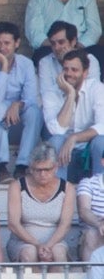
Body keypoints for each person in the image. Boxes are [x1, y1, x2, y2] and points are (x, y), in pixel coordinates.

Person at [0, 22, 43, 184]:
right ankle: (1, 166)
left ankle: (21, 167)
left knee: (35, 111)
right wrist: (4, 66)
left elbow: (30, 98)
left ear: (17, 43)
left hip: (16, 120)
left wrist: (17, 105)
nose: (2, 48)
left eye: (7, 43)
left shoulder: (26, 63)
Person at [6, 143, 76, 263]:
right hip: (22, 242)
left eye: (47, 169)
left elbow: (65, 225)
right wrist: (38, 245)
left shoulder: (67, 188)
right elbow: (13, 224)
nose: (42, 174)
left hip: (55, 241)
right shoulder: (17, 186)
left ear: (56, 167)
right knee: (29, 253)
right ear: (31, 169)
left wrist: (48, 246)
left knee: (58, 253)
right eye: (38, 170)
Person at [42, 48, 104, 181]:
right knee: (55, 141)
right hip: (64, 146)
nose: (69, 74)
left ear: (85, 73)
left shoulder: (97, 88)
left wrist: (74, 137)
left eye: (74, 70)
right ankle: (60, 192)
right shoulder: (51, 92)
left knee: (101, 142)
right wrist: (70, 94)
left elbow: (102, 125)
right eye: (66, 69)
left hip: (89, 144)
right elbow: (56, 130)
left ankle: (100, 192)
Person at [38, 21, 100, 102]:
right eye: (53, 43)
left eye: (61, 42)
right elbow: (46, 96)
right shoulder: (45, 63)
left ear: (73, 41)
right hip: (57, 108)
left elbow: (94, 92)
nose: (56, 48)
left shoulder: (90, 60)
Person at [76, 151, 104, 261]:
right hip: (93, 235)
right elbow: (84, 211)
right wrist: (100, 224)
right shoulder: (88, 183)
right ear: (103, 162)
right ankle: (92, 278)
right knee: (91, 235)